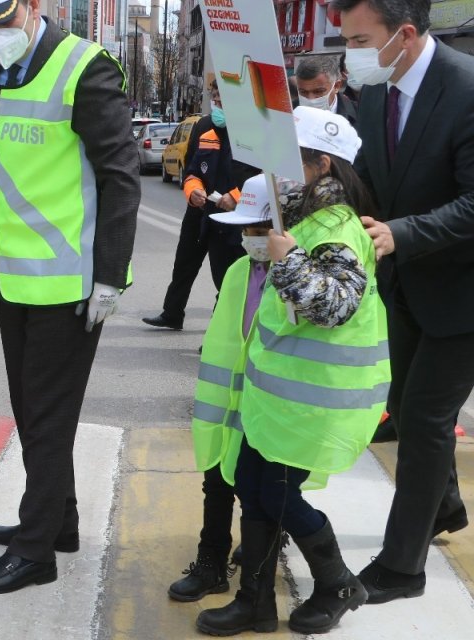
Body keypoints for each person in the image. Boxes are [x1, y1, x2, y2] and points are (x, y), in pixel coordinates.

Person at [0, 0, 138, 594]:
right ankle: (60, 522)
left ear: (31, 8)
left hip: (72, 285)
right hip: (13, 278)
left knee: (48, 419)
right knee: (32, 411)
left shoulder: (87, 69)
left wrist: (111, 273)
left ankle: (35, 552)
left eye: (3, 22)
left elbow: (121, 174)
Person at [196, 106, 387, 636]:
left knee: (278, 494)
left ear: (321, 166)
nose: (276, 177)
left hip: (313, 401)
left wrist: (288, 260)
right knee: (256, 489)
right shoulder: (306, 221)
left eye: (287, 163)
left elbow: (334, 306)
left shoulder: (337, 228)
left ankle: (338, 584)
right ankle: (254, 604)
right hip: (277, 401)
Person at [332, 0, 474, 604]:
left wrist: (403, 233)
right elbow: (366, 173)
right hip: (405, 287)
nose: (351, 54)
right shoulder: (377, 91)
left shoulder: (465, 90)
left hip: (463, 293)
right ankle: (441, 506)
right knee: (403, 400)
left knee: (421, 421)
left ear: (406, 34)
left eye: (360, 39)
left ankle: (401, 568)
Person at [173, 174, 284, 604]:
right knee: (216, 481)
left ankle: (259, 569)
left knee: (265, 494)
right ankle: (210, 562)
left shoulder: (293, 275)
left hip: (269, 407)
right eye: (246, 229)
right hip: (228, 404)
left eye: (259, 229)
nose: (250, 237)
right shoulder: (239, 270)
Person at [142, 76, 258, 331]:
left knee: (228, 279)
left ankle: (219, 335)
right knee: (185, 263)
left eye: (221, 98)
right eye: (214, 97)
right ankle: (172, 312)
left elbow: (263, 177)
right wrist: (193, 192)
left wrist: (237, 197)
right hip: (203, 213)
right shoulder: (205, 128)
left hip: (236, 219)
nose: (217, 102)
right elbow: (193, 170)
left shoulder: (254, 132)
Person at [295, 55, 358, 123]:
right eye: (303, 92)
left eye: (318, 91)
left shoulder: (361, 114)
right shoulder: (288, 114)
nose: (311, 98)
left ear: (336, 86)